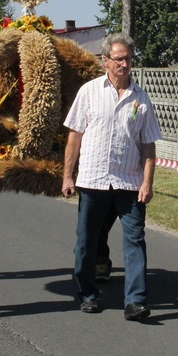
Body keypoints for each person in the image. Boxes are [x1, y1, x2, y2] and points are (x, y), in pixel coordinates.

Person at [62, 32, 161, 321]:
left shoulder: (141, 99)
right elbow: (74, 136)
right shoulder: (89, 92)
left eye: (128, 59)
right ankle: (88, 294)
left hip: (128, 183)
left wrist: (147, 183)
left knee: (135, 239)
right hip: (93, 180)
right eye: (119, 59)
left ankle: (135, 301)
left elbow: (148, 145)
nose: (125, 64)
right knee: (86, 240)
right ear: (105, 61)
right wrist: (68, 176)